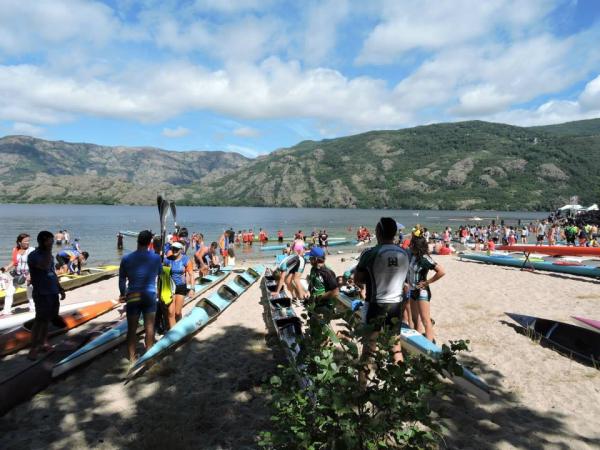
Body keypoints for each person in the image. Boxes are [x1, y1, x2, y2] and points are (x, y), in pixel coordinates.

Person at [354, 218, 409, 386]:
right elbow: (404, 281)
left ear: (378, 232)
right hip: (396, 305)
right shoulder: (404, 253)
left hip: (376, 304)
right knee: (396, 348)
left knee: (369, 348)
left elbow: (358, 279)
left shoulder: (370, 253)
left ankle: (362, 387)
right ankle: (400, 385)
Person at [119, 230, 162, 362]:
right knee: (149, 327)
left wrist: (123, 293)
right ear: (149, 242)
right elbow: (160, 274)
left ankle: (132, 358)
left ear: (137, 240)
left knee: (132, 329)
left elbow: (122, 280)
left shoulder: (126, 258)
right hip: (149, 295)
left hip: (133, 295)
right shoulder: (156, 258)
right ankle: (149, 355)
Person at [26, 231, 66, 360]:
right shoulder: (33, 255)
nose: (52, 243)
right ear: (42, 242)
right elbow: (43, 266)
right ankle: (33, 348)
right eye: (50, 241)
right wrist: (48, 252)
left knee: (47, 320)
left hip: (53, 292)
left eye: (52, 241)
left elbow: (52, 273)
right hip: (42, 293)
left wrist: (60, 288)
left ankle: (43, 343)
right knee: (40, 320)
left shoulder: (50, 256)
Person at [407, 235, 445, 342]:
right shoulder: (412, 255)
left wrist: (427, 282)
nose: (410, 245)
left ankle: (430, 346)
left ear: (417, 246)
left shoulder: (425, 258)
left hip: (422, 292)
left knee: (426, 321)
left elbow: (441, 271)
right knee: (415, 320)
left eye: (412, 244)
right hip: (412, 290)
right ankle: (418, 342)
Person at [163, 242, 194, 328]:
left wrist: (192, 288)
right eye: (173, 248)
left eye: (176, 249)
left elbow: (191, 274)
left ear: (181, 250)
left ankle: (179, 327)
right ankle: (173, 332)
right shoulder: (167, 260)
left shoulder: (186, 260)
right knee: (171, 313)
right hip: (170, 288)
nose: (174, 250)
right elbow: (163, 275)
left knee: (177, 312)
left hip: (181, 287)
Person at [4, 233, 35, 312]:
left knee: (30, 295)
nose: (27, 242)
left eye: (28, 241)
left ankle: (33, 310)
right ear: (19, 242)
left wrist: (30, 275)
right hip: (17, 276)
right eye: (25, 241)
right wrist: (6, 267)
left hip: (29, 275)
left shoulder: (32, 250)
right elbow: (14, 261)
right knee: (9, 293)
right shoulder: (15, 250)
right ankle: (6, 312)